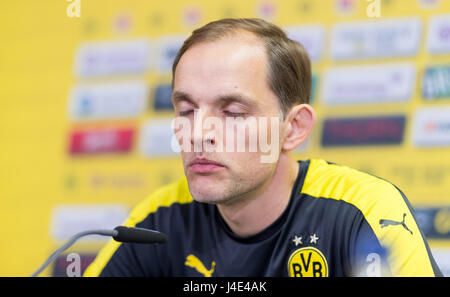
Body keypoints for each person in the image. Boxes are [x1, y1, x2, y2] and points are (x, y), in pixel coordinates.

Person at [84, 18, 442, 277]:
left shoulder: (362, 213)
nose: (198, 133)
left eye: (233, 112)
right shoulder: (158, 220)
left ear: (293, 128)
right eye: (186, 110)